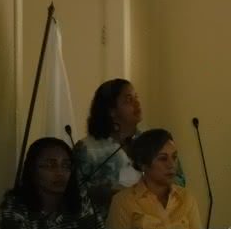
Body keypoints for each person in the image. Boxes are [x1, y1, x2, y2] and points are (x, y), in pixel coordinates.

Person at [74, 79, 185, 220]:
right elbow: (73, 193)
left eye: (136, 97)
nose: (137, 103)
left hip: (153, 224)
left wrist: (150, 189)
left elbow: (180, 181)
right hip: (103, 226)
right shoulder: (88, 149)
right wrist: (110, 194)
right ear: (111, 110)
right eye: (129, 100)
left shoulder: (154, 142)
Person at [0, 137, 106, 229]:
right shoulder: (15, 207)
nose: (60, 173)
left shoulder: (82, 201)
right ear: (32, 169)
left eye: (66, 165)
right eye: (51, 165)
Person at [107, 129, 201, 229]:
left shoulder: (186, 199)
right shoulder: (123, 202)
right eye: (163, 159)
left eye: (174, 157)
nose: (171, 165)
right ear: (143, 164)